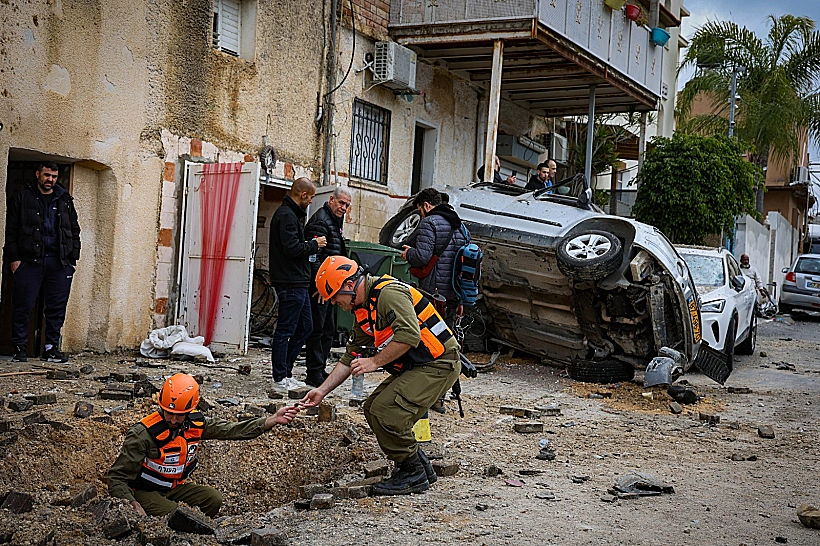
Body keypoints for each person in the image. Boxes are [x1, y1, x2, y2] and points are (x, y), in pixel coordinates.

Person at [302, 256, 460, 496]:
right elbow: (350, 356)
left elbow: (409, 336)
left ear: (348, 286)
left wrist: (375, 362)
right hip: (420, 364)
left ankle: (412, 473)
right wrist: (322, 391)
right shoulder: (365, 308)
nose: (336, 304)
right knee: (372, 408)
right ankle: (417, 466)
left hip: (439, 363)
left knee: (387, 412)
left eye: (335, 297)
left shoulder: (388, 294)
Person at [108, 373, 300, 517]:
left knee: (213, 499)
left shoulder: (196, 424)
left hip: (174, 487)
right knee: (176, 515)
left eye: (180, 414)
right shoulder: (142, 434)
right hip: (144, 491)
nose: (173, 420)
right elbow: (117, 477)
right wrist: (131, 504)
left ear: (191, 409)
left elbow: (232, 430)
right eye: (168, 413)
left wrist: (271, 420)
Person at [3, 161, 81, 363]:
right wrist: (14, 258)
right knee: (23, 305)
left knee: (56, 307)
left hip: (59, 261)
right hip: (29, 261)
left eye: (54, 176)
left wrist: (72, 259)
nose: (50, 180)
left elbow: (74, 230)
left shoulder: (64, 199)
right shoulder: (23, 196)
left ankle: (50, 348)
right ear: (38, 174)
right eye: (47, 175)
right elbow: (10, 230)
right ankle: (19, 348)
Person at [269, 177, 327, 391]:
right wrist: (314, 244)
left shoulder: (292, 215)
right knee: (286, 330)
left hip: (299, 282)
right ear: (303, 195)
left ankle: (286, 372)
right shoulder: (286, 216)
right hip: (290, 282)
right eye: (311, 197)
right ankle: (279, 378)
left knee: (305, 327)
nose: (311, 201)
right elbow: (292, 249)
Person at [304, 186, 352, 387]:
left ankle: (319, 369)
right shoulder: (321, 221)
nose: (343, 207)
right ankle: (314, 372)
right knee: (318, 329)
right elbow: (315, 257)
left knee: (328, 329)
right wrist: (320, 286)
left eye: (347, 205)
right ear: (331, 199)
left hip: (331, 287)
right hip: (321, 288)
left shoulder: (333, 220)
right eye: (341, 203)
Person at [400, 187, 467, 326]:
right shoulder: (461, 226)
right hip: (454, 292)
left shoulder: (429, 222)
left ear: (426, 205)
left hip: (433, 293)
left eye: (420, 211)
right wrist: (461, 300)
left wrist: (409, 253)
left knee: (430, 332)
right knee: (448, 335)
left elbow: (422, 257)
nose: (422, 216)